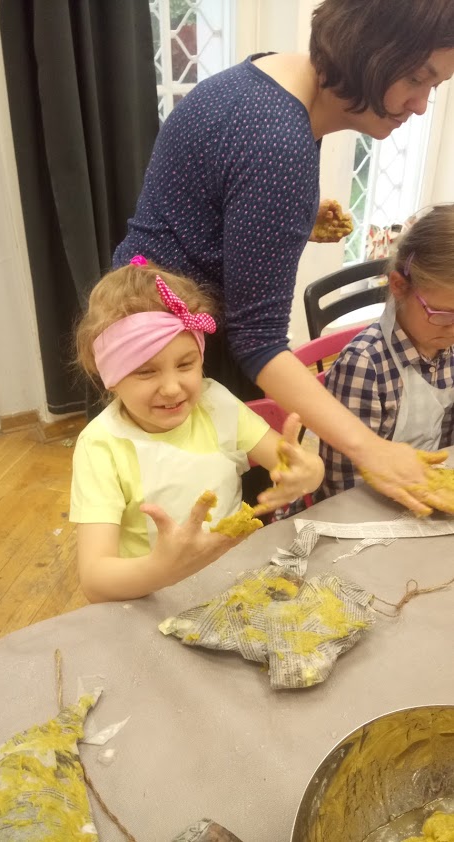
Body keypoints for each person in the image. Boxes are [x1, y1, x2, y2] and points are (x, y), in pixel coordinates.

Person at [112, 0, 454, 516]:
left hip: (136, 327)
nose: (422, 105)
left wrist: (287, 217)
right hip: (172, 355)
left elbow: (210, 198)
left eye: (435, 86)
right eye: (415, 79)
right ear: (369, 50)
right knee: (190, 522)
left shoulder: (265, 80)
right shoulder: (278, 139)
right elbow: (257, 341)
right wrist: (372, 449)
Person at [70, 257, 324, 602]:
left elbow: (293, 465)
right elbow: (95, 580)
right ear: (111, 378)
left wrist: (309, 471)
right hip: (152, 597)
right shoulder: (101, 446)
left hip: (235, 583)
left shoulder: (215, 403)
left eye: (186, 364)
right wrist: (163, 570)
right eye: (146, 372)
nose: (172, 388)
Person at [320, 204, 454, 497]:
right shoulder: (364, 366)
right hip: (363, 503)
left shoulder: (448, 351)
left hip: (424, 492)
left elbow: (446, 445)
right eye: (444, 315)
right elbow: (342, 489)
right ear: (398, 286)